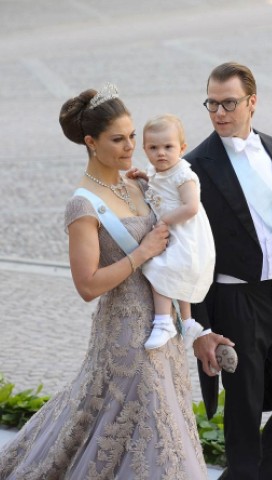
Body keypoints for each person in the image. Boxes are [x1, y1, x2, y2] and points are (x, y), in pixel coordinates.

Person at [0, 84, 209, 479]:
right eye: (118, 139)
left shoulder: (140, 183)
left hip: (165, 332)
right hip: (126, 336)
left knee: (161, 427)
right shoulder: (82, 205)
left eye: (132, 136)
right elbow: (88, 286)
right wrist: (141, 252)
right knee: (148, 434)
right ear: (91, 142)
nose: (131, 146)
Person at [184, 62, 272, 480]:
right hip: (235, 303)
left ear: (252, 102)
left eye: (229, 103)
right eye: (212, 103)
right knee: (242, 417)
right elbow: (187, 255)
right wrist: (201, 328)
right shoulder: (194, 167)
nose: (219, 112)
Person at [140, 113, 215, 350]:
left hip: (187, 235)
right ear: (144, 149)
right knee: (176, 275)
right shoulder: (155, 171)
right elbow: (157, 185)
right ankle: (189, 320)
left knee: (160, 268)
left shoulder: (184, 175)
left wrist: (165, 220)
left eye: (168, 147)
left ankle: (164, 322)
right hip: (176, 233)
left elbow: (191, 207)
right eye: (153, 147)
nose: (161, 153)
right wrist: (142, 176)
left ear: (181, 148)